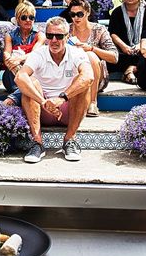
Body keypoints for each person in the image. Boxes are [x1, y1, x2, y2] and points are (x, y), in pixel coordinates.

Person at [15, 16, 93, 164]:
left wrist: (61, 98)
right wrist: (44, 102)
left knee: (83, 84)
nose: (54, 40)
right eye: (50, 36)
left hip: (68, 109)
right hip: (42, 109)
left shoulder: (77, 53)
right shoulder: (38, 54)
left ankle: (70, 139)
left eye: (59, 36)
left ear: (67, 36)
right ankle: (37, 142)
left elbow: (89, 76)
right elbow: (20, 77)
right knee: (30, 83)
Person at [68, 0, 118, 116]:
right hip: (72, 74)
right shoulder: (66, 30)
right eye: (73, 14)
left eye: (80, 14)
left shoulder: (99, 29)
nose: (76, 18)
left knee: (90, 55)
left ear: (88, 13)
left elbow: (114, 57)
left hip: (97, 75)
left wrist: (92, 48)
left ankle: (92, 102)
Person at [2, 1, 45, 100]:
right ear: (17, 19)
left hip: (32, 72)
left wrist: (19, 59)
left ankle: (14, 98)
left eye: (31, 17)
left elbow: (35, 54)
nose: (28, 20)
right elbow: (6, 53)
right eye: (24, 17)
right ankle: (21, 93)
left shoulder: (39, 35)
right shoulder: (10, 35)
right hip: (12, 74)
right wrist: (10, 60)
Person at [108, 0, 146, 85]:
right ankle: (131, 70)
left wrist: (140, 45)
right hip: (122, 50)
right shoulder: (117, 12)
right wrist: (124, 46)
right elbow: (113, 33)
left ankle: (130, 70)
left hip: (143, 48)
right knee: (113, 58)